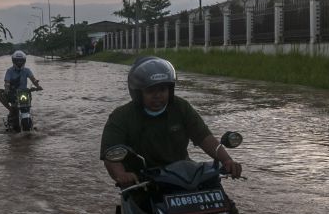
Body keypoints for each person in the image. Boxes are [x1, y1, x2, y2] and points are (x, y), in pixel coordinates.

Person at [100, 56, 239, 187]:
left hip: (182, 176)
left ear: (170, 90)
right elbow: (111, 154)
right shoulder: (121, 116)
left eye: (162, 89)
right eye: (150, 91)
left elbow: (204, 137)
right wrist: (121, 175)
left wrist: (226, 160)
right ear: (138, 93)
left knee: (226, 205)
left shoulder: (181, 107)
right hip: (142, 181)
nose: (157, 96)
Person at [0, 50, 42, 129]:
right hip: (13, 93)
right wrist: (7, 89)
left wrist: (37, 86)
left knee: (27, 106)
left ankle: (29, 120)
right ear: (13, 61)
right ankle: (11, 111)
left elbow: (33, 79)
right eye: (17, 60)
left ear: (24, 61)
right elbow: (7, 82)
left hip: (24, 92)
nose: (19, 62)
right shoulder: (9, 71)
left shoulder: (27, 70)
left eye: (21, 60)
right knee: (10, 104)